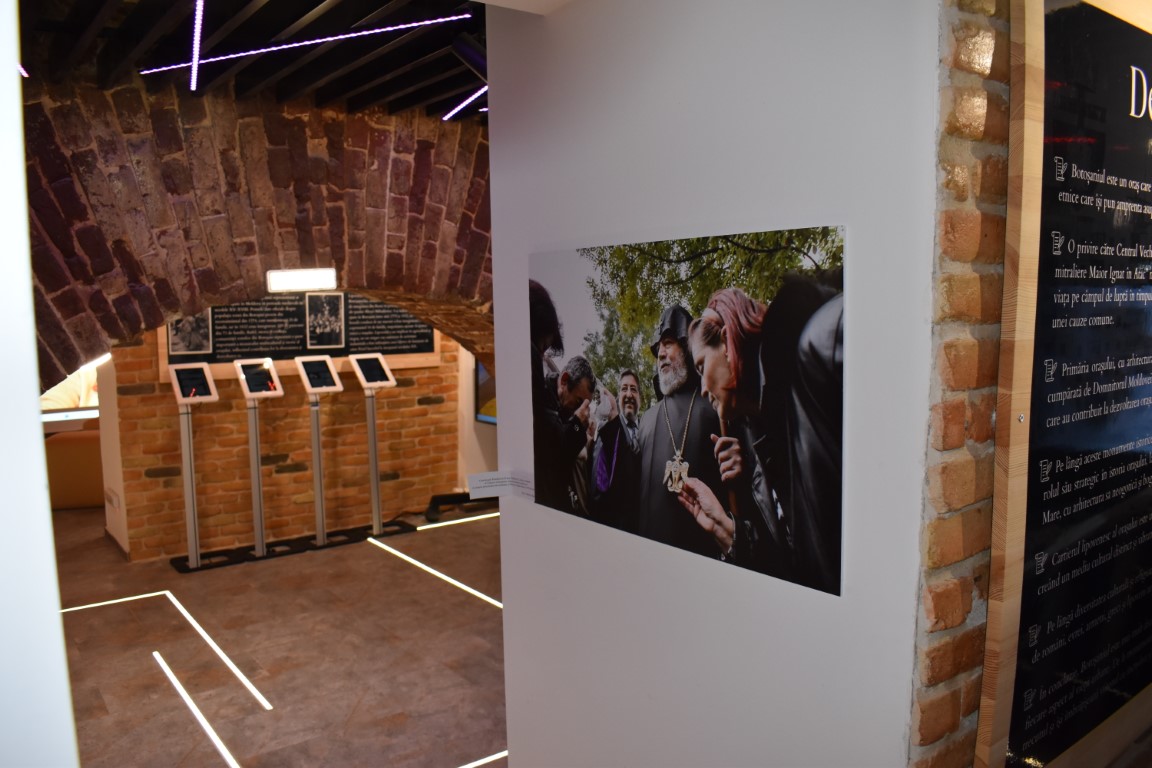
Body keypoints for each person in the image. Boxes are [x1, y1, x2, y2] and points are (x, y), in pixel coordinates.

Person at [683, 279, 843, 594]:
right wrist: (727, 529)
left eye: (701, 368)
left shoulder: (821, 346)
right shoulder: (761, 441)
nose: (702, 390)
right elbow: (797, 560)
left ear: (726, 343)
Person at [599, 305, 737, 559]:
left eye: (668, 344)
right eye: (658, 349)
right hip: (647, 557)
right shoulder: (647, 419)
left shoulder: (715, 407)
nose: (660, 354)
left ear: (686, 347)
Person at [535, 355, 596, 512]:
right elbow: (557, 458)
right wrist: (577, 425)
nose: (580, 410)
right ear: (564, 381)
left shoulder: (563, 408)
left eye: (585, 405)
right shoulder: (541, 401)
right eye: (578, 401)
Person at [589, 370, 642, 528]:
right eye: (624, 389)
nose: (629, 394)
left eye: (633, 389)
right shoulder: (608, 432)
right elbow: (598, 487)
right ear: (619, 396)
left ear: (640, 397)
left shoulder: (647, 431)